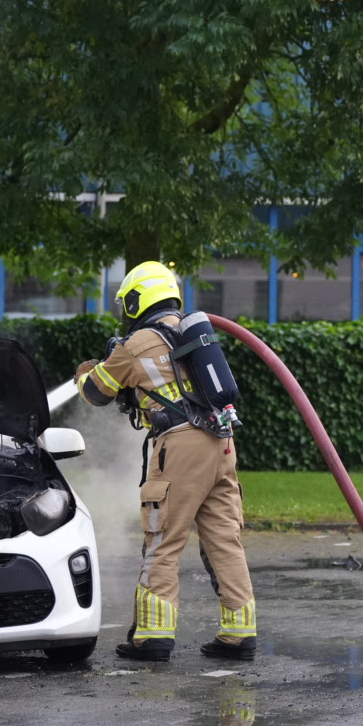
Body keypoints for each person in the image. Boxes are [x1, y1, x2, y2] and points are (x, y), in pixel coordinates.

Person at [75, 261, 257, 663]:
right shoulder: (191, 333)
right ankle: (239, 634)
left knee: (163, 538)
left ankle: (153, 638)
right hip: (222, 443)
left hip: (180, 446)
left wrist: (84, 371)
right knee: (225, 540)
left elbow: (97, 391)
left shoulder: (137, 343)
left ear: (138, 300)